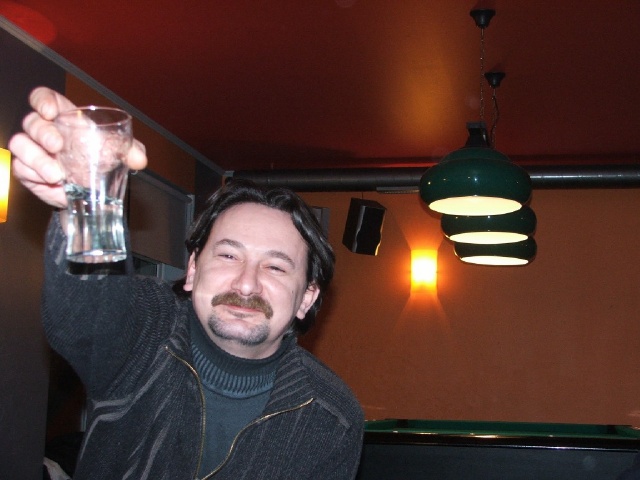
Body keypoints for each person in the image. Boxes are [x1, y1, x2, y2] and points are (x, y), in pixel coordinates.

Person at [10, 87, 364, 479]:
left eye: (276, 267)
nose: (247, 285)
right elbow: (87, 313)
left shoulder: (333, 418)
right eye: (228, 255)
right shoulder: (143, 335)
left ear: (307, 297)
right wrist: (84, 202)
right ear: (193, 269)